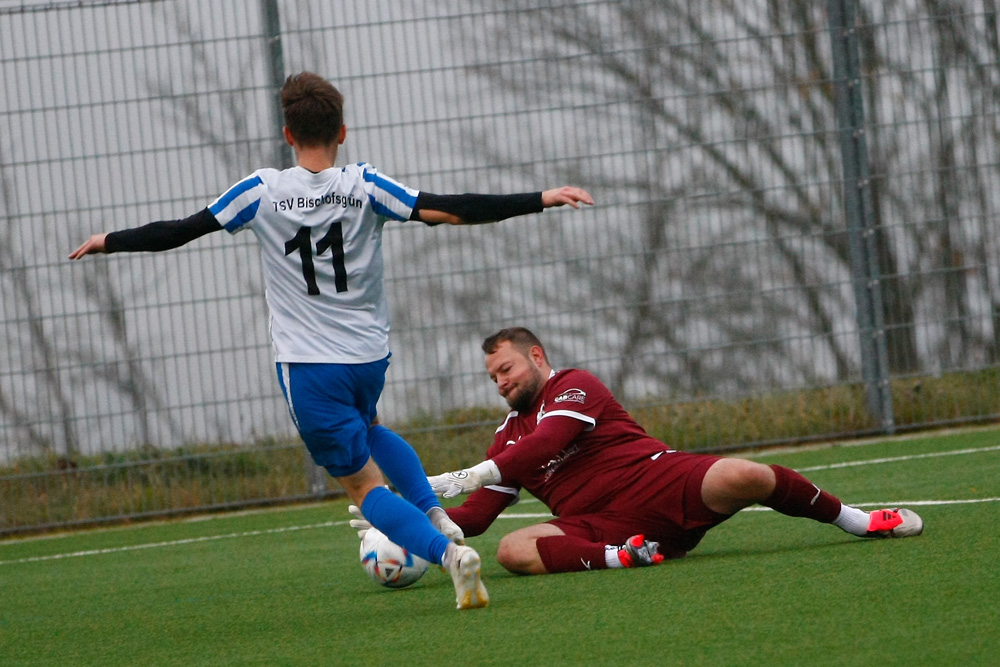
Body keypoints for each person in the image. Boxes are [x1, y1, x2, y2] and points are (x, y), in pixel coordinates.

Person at [69, 72, 594, 607]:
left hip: (307, 367)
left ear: (287, 134)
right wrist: (541, 198)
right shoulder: (364, 186)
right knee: (370, 427)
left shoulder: (259, 192)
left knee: (364, 487)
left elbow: (180, 230)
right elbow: (453, 208)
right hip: (368, 357)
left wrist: (110, 241)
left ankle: (447, 554)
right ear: (342, 132)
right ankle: (434, 513)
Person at [418, 327, 922, 575]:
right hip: (597, 524)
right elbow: (476, 519)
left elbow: (548, 442)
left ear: (536, 356)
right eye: (493, 378)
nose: (500, 383)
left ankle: (857, 520)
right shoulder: (505, 438)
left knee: (745, 475)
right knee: (511, 550)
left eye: (506, 370)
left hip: (659, 480)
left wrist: (472, 473)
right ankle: (627, 557)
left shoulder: (574, 384)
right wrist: (410, 520)